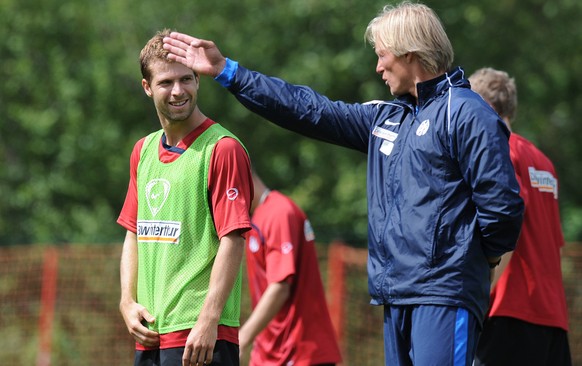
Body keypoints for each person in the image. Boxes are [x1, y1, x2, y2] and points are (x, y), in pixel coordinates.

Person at [162, 2, 525, 364]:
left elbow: (503, 209)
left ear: (410, 52)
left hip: (445, 294)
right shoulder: (389, 118)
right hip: (396, 296)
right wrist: (228, 71)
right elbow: (309, 109)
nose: (378, 66)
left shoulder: (465, 112)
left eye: (383, 56)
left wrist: (474, 262)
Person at [117, 29, 253, 366]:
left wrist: (209, 320)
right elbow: (133, 232)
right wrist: (126, 301)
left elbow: (233, 239)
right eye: (166, 82)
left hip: (200, 337)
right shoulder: (143, 150)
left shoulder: (223, 149)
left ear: (198, 81)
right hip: (150, 332)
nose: (179, 91)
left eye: (187, 79)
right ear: (147, 87)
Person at [469, 67, 572, 366]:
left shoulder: (499, 148)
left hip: (509, 311)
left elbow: (505, 226)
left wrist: (483, 291)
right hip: (552, 315)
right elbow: (554, 241)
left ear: (482, 107)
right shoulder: (544, 163)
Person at [239, 171, 342, 365]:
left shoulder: (278, 213)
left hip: (299, 351)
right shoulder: (258, 217)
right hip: (272, 353)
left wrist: (243, 338)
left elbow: (280, 287)